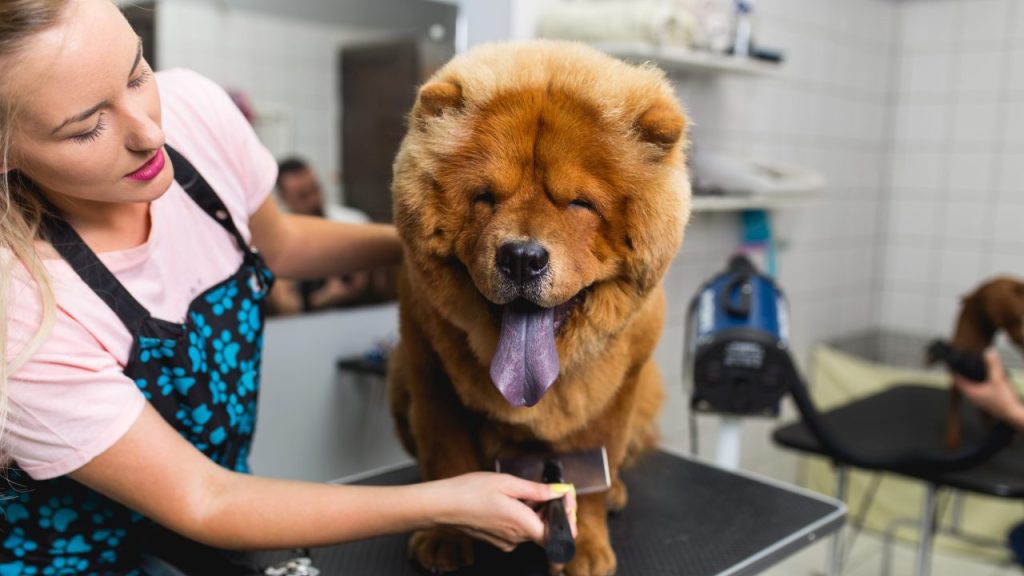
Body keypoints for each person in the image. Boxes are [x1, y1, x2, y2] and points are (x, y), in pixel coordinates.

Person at [0, 1, 576, 574]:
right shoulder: (20, 311)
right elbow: (204, 499)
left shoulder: (194, 113)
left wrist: (453, 249)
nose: (150, 131)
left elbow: (282, 243)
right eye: (88, 126)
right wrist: (445, 501)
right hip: (77, 559)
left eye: (136, 72)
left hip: (215, 534)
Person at [268, 157, 385, 314]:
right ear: (284, 198)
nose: (313, 200)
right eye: (302, 195)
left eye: (315, 189)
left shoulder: (353, 223)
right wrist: (326, 297)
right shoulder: (279, 241)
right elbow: (286, 305)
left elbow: (382, 286)